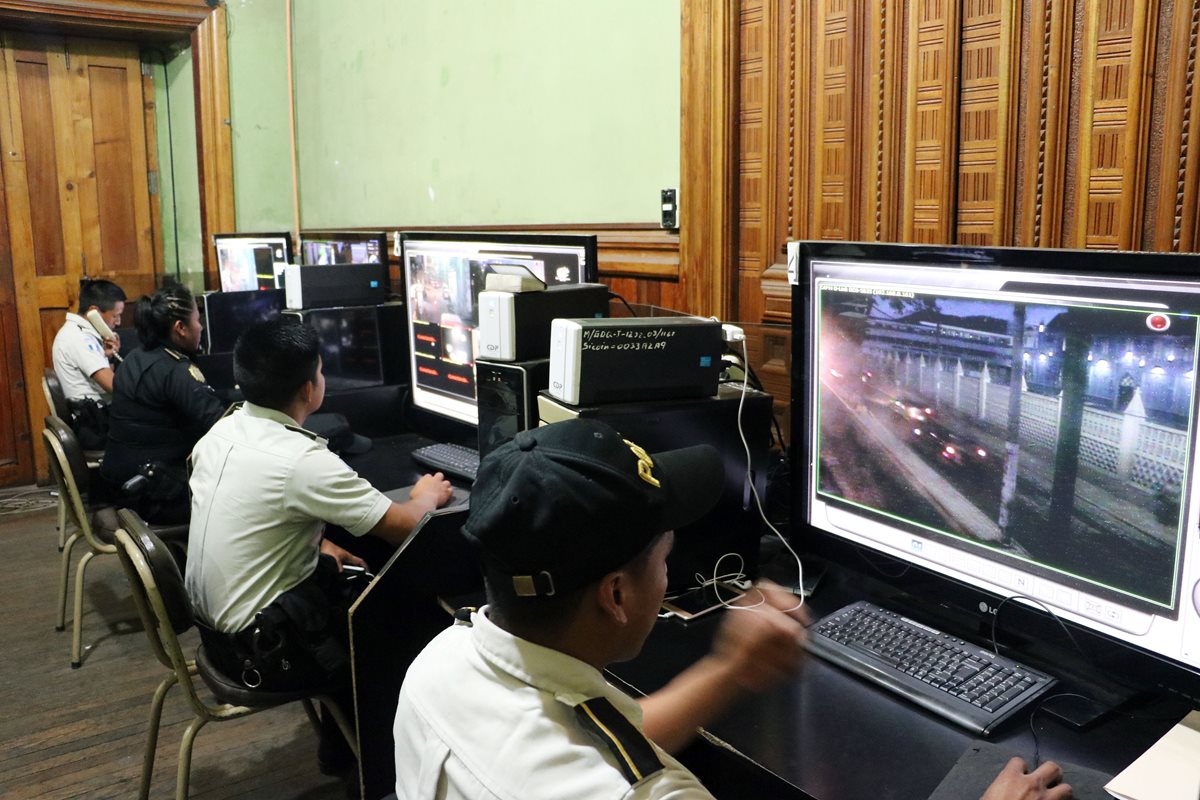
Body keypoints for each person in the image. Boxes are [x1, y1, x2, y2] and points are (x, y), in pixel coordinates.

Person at [392, 419, 1072, 800]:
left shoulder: (439, 665)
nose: (669, 575)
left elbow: (613, 734)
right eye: (663, 561)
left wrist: (729, 670)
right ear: (617, 595)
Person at [185, 316, 452, 774]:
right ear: (310, 389)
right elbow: (404, 527)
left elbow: (251, 518)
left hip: (213, 633)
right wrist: (423, 497)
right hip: (261, 653)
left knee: (357, 588)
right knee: (401, 623)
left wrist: (318, 544)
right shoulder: (302, 461)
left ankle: (342, 752)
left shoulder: (221, 432)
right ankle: (378, 773)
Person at [101, 281, 225, 524]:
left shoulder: (135, 357)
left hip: (123, 486)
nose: (201, 328)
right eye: (197, 320)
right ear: (180, 328)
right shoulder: (177, 370)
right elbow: (221, 427)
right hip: (155, 496)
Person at [51, 278, 125, 450]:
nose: (119, 322)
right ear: (94, 312)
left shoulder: (77, 332)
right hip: (96, 427)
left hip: (95, 420)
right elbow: (114, 387)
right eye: (116, 315)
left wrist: (109, 356)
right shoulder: (80, 339)